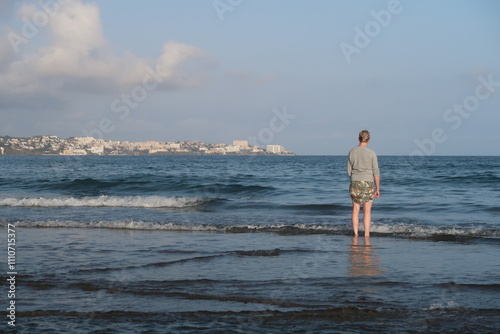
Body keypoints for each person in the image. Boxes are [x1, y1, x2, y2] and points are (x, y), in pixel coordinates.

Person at [347, 130, 380, 237]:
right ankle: (366, 235)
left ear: (358, 138)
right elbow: (376, 171)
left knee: (355, 209)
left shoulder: (352, 152)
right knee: (367, 210)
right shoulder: (371, 153)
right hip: (368, 183)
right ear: (369, 139)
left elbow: (349, 172)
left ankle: (356, 234)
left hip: (355, 182)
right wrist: (377, 188)